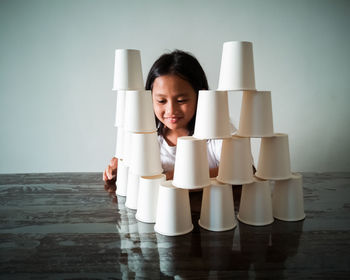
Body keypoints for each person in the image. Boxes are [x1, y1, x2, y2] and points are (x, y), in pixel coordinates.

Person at [103, 50, 223, 183]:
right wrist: (119, 170)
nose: (171, 110)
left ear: (201, 96)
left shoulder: (217, 131)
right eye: (161, 101)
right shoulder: (147, 138)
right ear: (149, 98)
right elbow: (131, 170)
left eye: (181, 100)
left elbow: (244, 168)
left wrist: (177, 175)